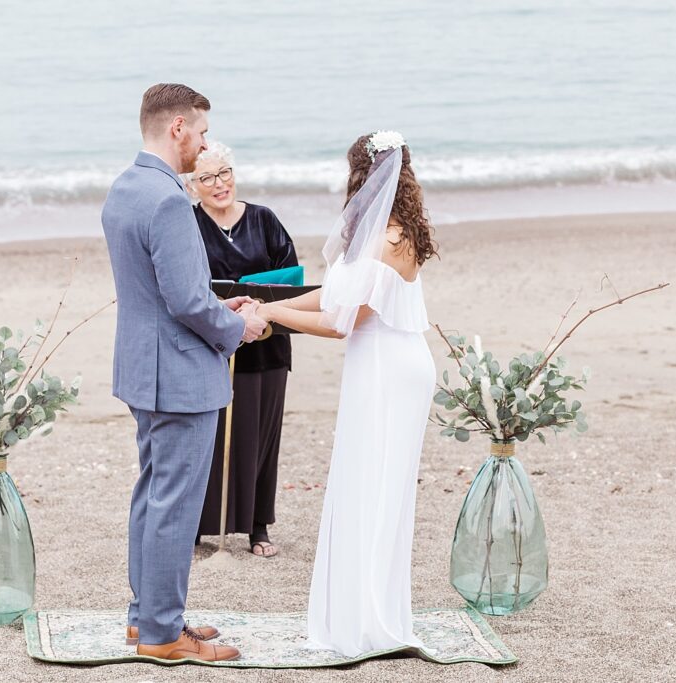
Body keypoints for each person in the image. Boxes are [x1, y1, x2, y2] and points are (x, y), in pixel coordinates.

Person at [252, 131, 438, 657]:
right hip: (395, 364)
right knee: (373, 487)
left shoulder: (384, 238)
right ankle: (365, 613)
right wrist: (274, 299)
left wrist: (269, 315)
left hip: (386, 369)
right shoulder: (397, 228)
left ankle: (369, 623)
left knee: (372, 488)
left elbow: (342, 322)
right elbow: (337, 294)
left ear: (360, 175)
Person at [101, 83, 266, 662]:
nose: (203, 143)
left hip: (143, 370)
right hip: (178, 375)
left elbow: (158, 292)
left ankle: (142, 619)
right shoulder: (170, 200)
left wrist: (220, 310)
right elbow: (188, 302)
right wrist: (237, 327)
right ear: (176, 128)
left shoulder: (126, 187)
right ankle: (164, 635)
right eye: (199, 130)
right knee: (174, 505)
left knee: (152, 495)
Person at [188, 141, 299, 558]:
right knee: (209, 439)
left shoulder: (264, 219)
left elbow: (290, 276)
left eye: (225, 173)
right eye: (207, 178)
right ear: (191, 187)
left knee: (262, 437)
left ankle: (257, 527)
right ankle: (198, 527)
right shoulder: (188, 224)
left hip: (267, 345)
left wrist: (262, 307)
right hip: (211, 347)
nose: (220, 184)